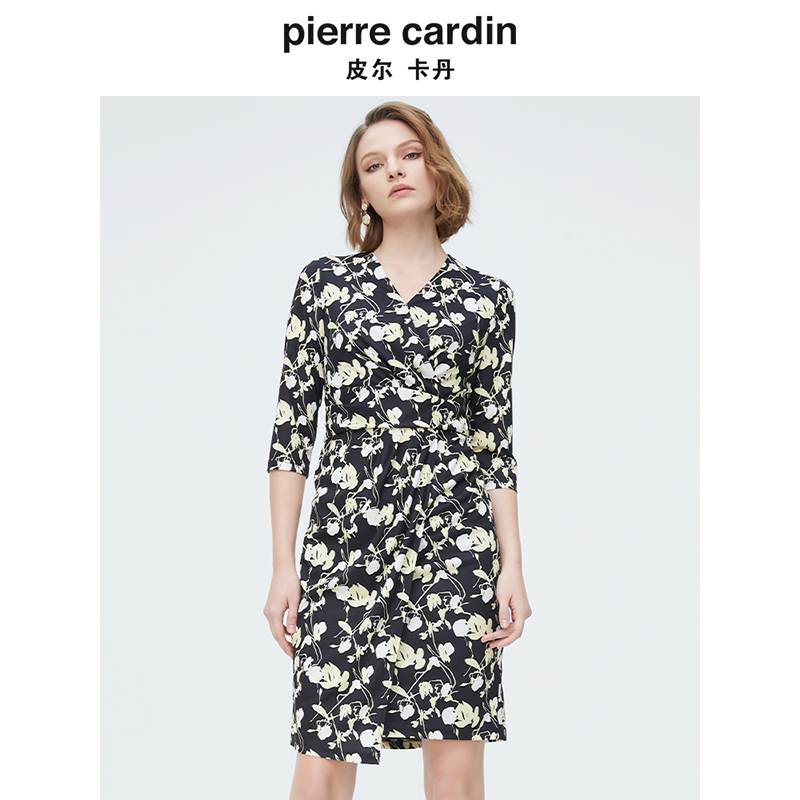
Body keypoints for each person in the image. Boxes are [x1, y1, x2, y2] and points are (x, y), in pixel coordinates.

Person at [263, 101, 532, 800]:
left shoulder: (487, 299)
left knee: (456, 761)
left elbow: (493, 441)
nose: (394, 171)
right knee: (324, 755)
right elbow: (292, 433)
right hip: (344, 541)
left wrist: (512, 568)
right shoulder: (325, 286)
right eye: (373, 165)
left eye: (409, 154)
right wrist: (284, 566)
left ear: (436, 166)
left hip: (455, 540)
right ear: (360, 192)